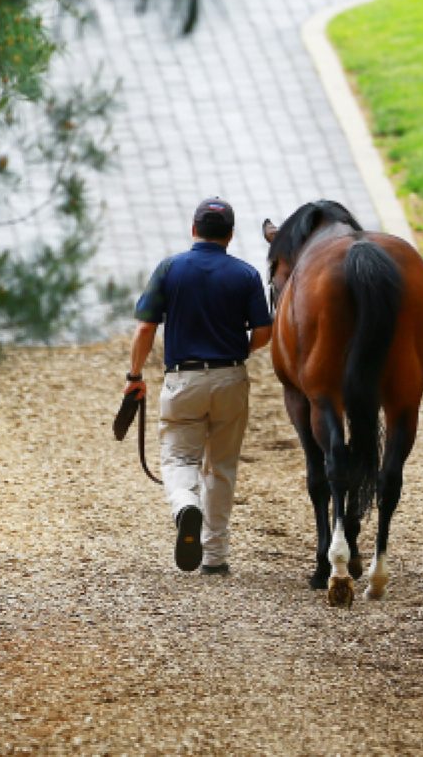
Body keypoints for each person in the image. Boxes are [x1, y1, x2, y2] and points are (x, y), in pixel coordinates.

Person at [126, 197, 274, 574]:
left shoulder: (170, 268)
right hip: (230, 378)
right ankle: (215, 556)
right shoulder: (245, 275)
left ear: (194, 230)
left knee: (178, 458)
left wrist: (135, 375)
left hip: (183, 379)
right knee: (222, 466)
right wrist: (241, 349)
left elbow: (145, 327)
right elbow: (264, 330)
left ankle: (184, 505)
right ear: (230, 235)